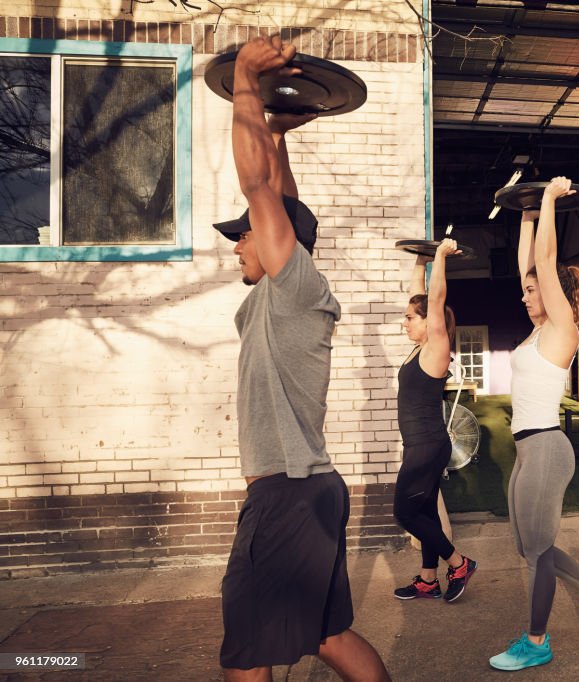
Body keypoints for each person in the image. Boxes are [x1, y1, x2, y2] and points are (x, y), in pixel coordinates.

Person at [213, 35, 389, 682]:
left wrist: (245, 82)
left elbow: (259, 188)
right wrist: (279, 133)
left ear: (278, 244)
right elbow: (280, 198)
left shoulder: (296, 288)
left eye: (244, 235)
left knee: (246, 656)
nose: (237, 246)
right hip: (304, 490)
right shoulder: (278, 296)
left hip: (286, 498)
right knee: (329, 637)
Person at [489, 178, 579, 672]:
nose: (525, 296)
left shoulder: (562, 326)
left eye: (532, 291)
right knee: (531, 547)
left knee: (538, 552)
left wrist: (546, 201)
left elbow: (544, 264)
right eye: (524, 291)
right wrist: (526, 213)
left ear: (555, 293)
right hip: (527, 450)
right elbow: (532, 262)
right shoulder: (536, 331)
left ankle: (537, 640)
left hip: (547, 448)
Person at [393, 240, 478, 602]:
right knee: (425, 510)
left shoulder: (436, 347)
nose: (405, 322)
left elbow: (435, 301)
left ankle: (458, 563)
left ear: (431, 322)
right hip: (419, 444)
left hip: (428, 447)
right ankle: (428, 581)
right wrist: (420, 262)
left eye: (411, 318)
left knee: (405, 512)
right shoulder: (419, 347)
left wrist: (440, 258)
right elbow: (422, 297)